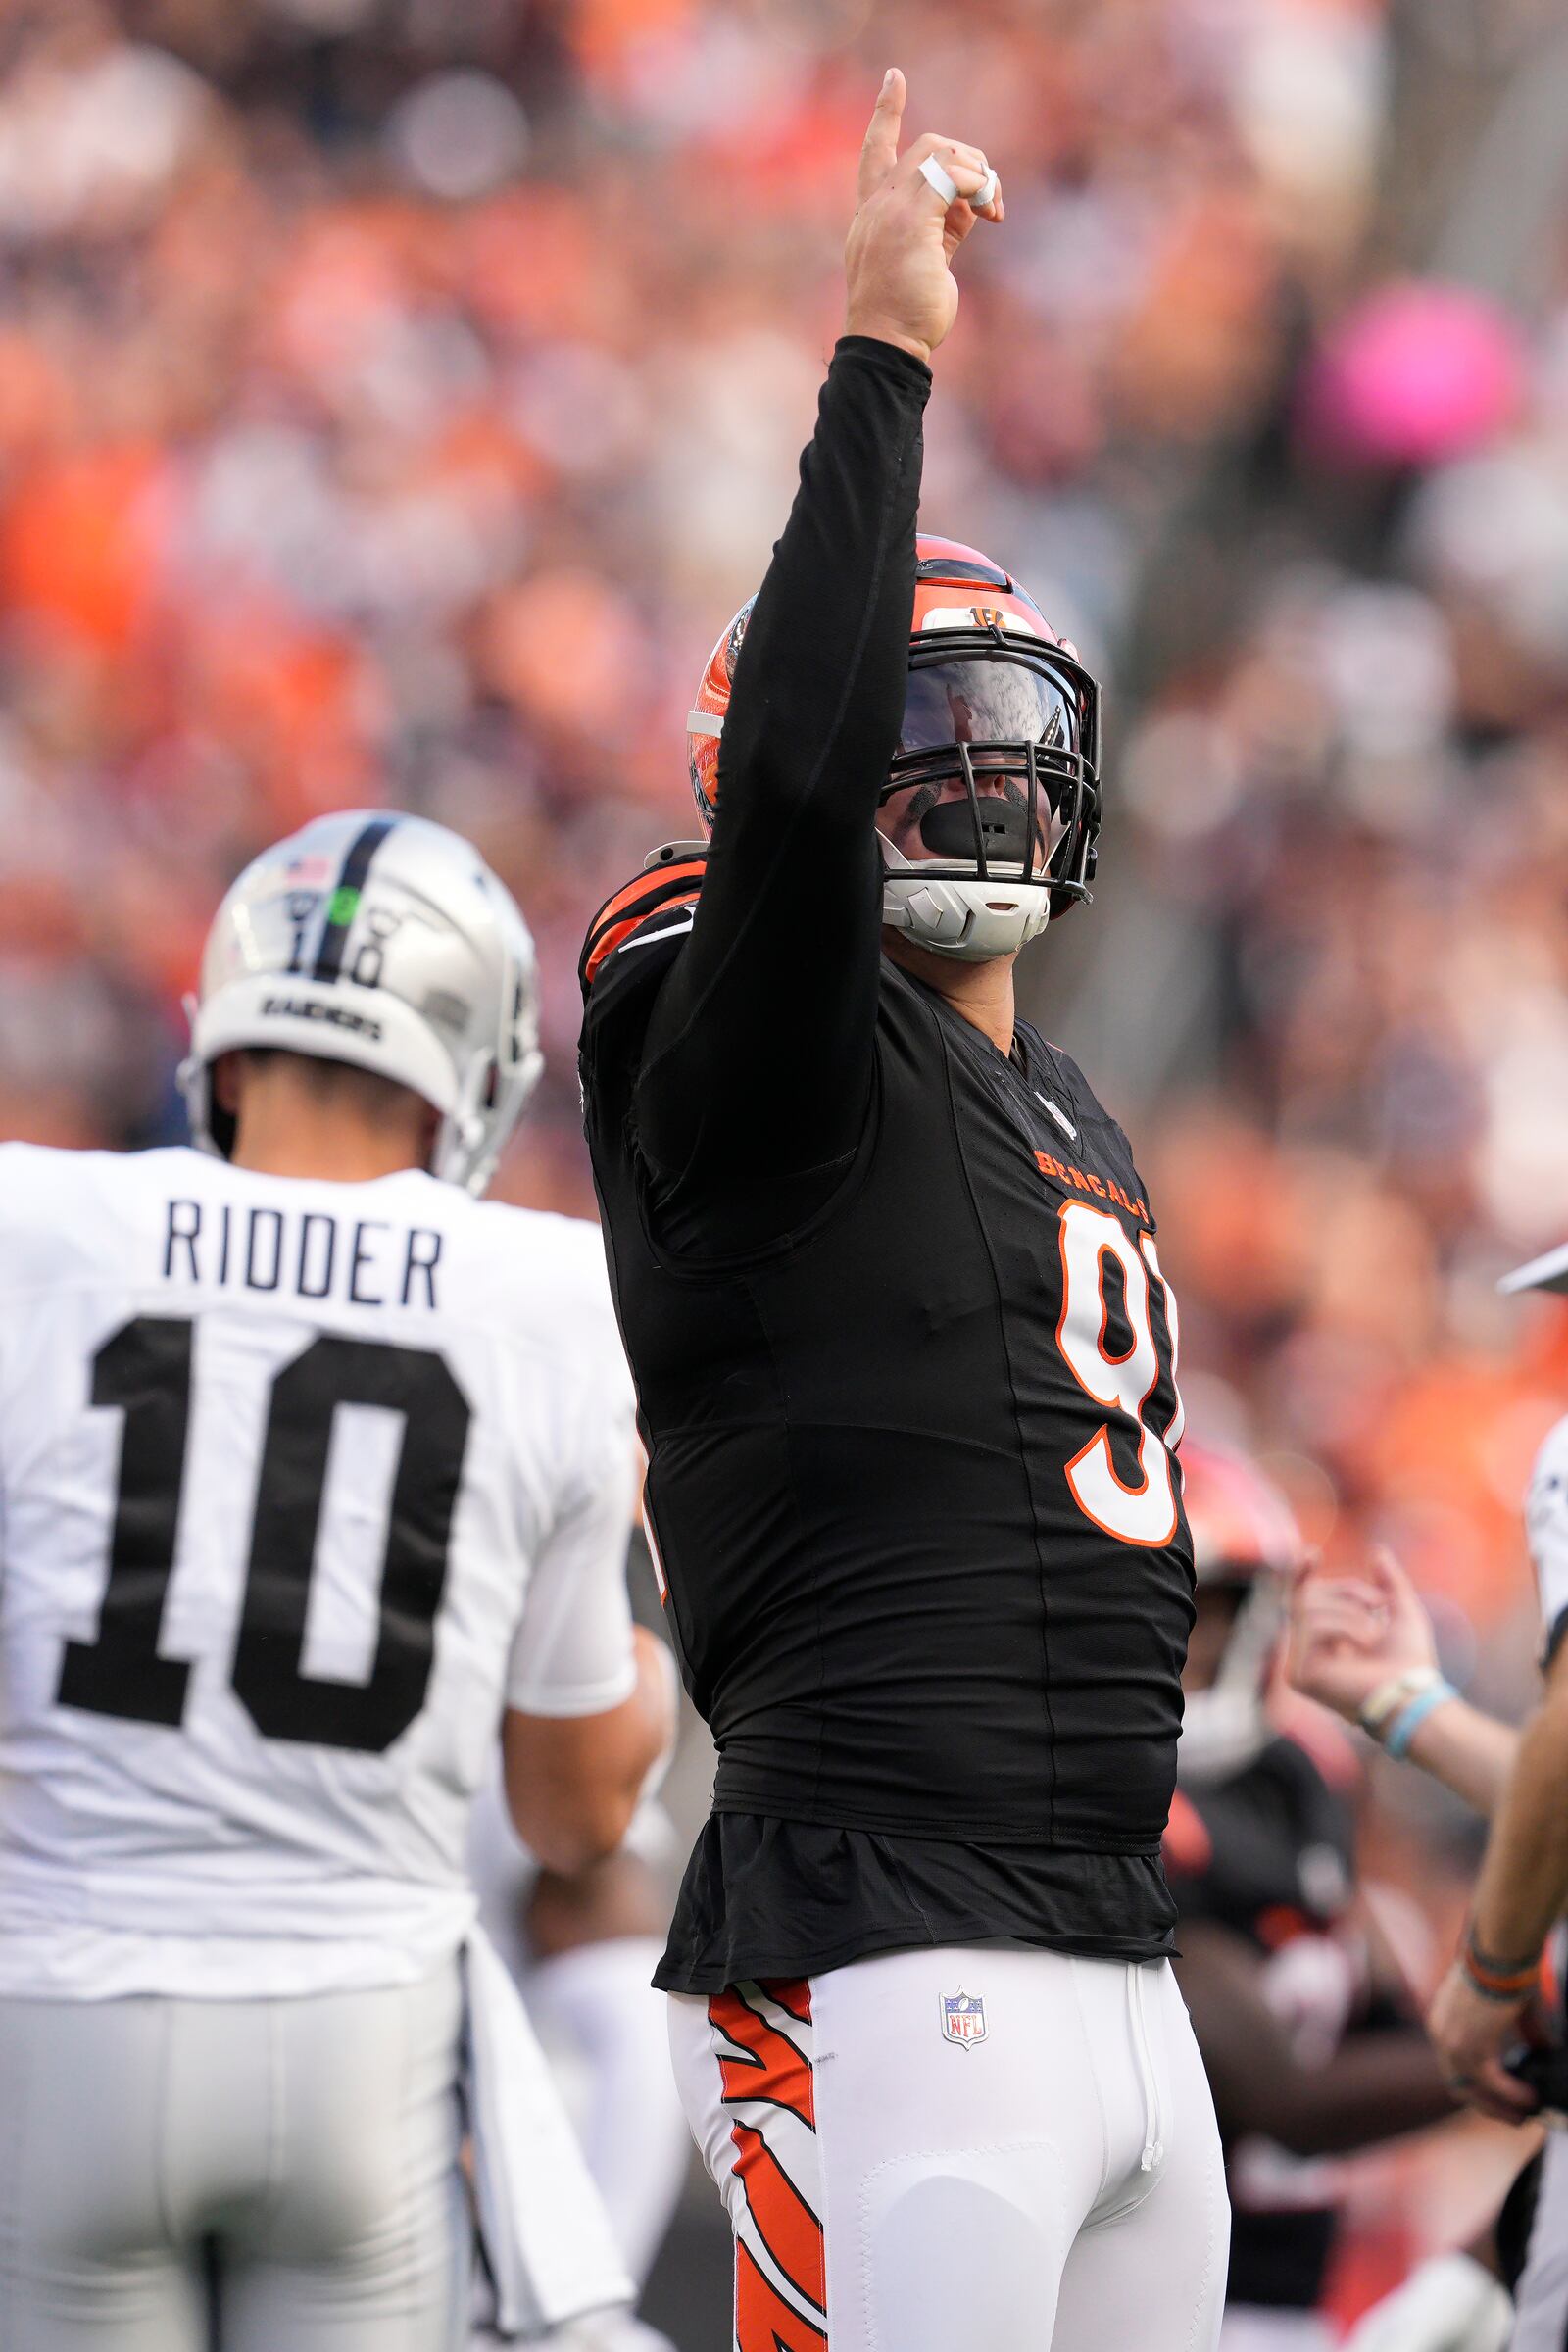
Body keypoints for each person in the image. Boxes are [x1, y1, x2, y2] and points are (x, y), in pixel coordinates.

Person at [576, 69, 1226, 2352]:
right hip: (879, 1949)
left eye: (990, 730)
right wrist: (884, 345)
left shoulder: (1057, 1097)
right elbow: (783, 789)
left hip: (1118, 1971)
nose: (954, 771)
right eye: (905, 727)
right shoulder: (747, 1025)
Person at [0, 809, 675, 2352]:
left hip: (62, 2000)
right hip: (356, 2037)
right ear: (468, 1075)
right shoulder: (554, 1299)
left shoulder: (31, 1229)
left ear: (227, 1048)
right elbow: (573, 1816)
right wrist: (648, 1664)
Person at [1165, 1444, 1457, 2352]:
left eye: (1210, 1611)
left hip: (1295, 2297)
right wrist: (1527, 2046)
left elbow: (1393, 2033)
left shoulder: (1301, 1781)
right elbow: (1281, 2095)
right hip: (1168, 2302)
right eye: (1161, 1610)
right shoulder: (1115, 1811)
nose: (1188, 1643)